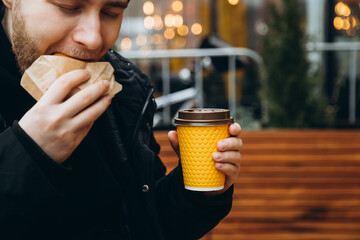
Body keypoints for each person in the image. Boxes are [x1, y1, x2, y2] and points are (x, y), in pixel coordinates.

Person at [0, 0, 243, 239]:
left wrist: (196, 191)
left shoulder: (126, 89)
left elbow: (145, 222)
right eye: (69, 7)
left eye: (111, 11)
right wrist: (29, 151)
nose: (94, 38)